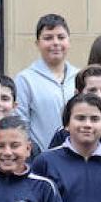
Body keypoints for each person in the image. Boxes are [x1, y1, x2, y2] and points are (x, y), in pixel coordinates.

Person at [32, 94, 101, 202]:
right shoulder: (46, 162)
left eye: (94, 119)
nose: (87, 124)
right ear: (67, 124)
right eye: (80, 118)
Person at [15, 13, 77, 148]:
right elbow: (21, 125)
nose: (56, 42)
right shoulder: (25, 80)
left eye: (61, 37)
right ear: (38, 43)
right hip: (42, 161)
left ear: (69, 41)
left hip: (78, 159)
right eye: (48, 38)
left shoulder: (79, 77)